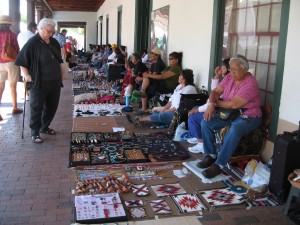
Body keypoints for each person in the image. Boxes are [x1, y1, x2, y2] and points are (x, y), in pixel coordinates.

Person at [199, 55, 262, 179]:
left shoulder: (250, 84)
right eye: (230, 68)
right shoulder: (229, 77)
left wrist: (216, 102)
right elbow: (215, 92)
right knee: (206, 122)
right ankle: (211, 155)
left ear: (245, 69)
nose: (232, 72)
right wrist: (211, 103)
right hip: (230, 113)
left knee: (235, 128)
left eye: (235, 69)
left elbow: (233, 104)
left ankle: (219, 164)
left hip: (249, 115)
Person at [15, 18, 63, 144]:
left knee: (52, 107)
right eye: (49, 31)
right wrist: (26, 74)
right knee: (36, 108)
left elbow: (59, 58)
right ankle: (35, 132)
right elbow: (21, 60)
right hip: (39, 82)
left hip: (54, 82)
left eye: (53, 32)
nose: (51, 34)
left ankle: (44, 127)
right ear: (40, 29)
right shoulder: (32, 42)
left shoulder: (53, 42)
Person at [187, 58, 230, 153]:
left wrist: (198, 110)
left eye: (223, 67)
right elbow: (214, 92)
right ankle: (197, 136)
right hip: (215, 107)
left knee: (193, 117)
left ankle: (201, 143)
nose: (221, 68)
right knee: (194, 109)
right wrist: (216, 76)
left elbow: (213, 102)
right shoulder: (226, 80)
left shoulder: (230, 82)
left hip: (220, 112)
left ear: (229, 69)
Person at [0, 15, 22, 121]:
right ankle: (14, 107)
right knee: (13, 86)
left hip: (0, 63)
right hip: (11, 62)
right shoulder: (11, 35)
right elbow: (16, 49)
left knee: (0, 87)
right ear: (9, 24)